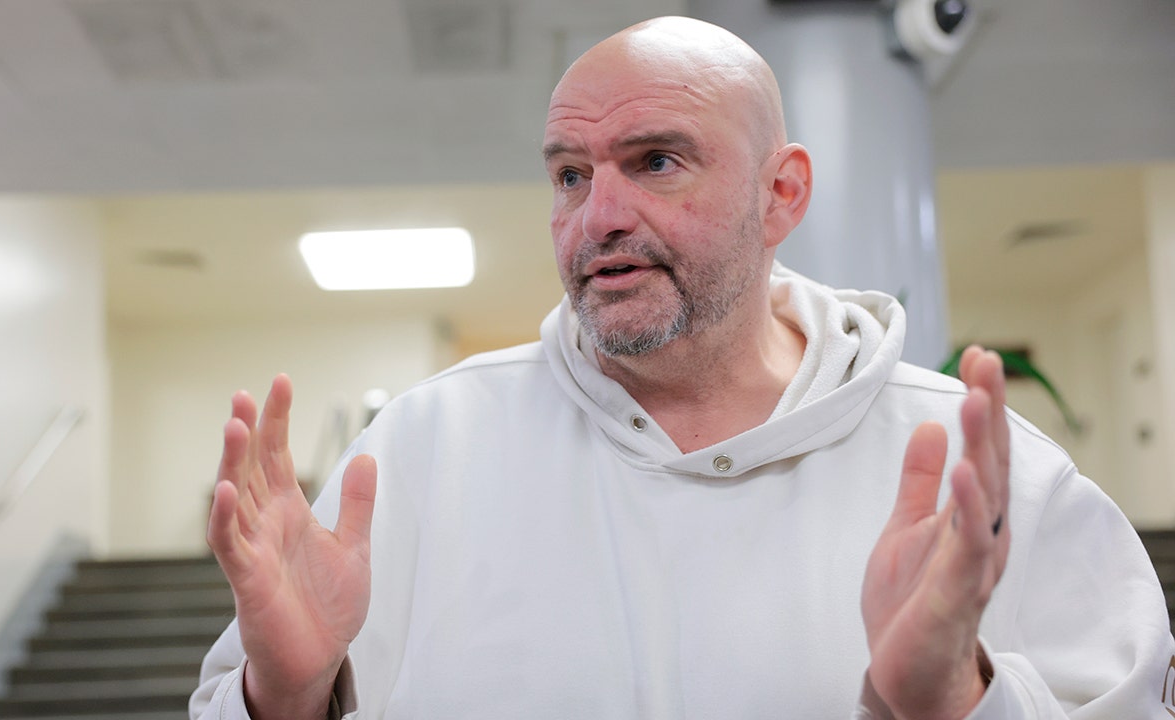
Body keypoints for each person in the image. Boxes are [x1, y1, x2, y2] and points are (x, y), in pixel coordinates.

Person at [190, 15, 1175, 720]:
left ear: (780, 194)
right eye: (570, 174)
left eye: (655, 161)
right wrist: (287, 694)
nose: (598, 216)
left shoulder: (979, 475)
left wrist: (956, 699)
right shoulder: (418, 452)